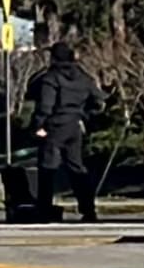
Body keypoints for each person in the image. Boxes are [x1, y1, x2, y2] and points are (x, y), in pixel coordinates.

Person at [31, 42, 105, 222]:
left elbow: (45, 105)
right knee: (76, 167)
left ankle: (45, 209)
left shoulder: (51, 78)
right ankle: (88, 209)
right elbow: (99, 100)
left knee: (48, 168)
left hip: (54, 125)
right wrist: (85, 115)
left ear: (54, 58)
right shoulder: (83, 77)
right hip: (74, 125)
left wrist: (39, 125)